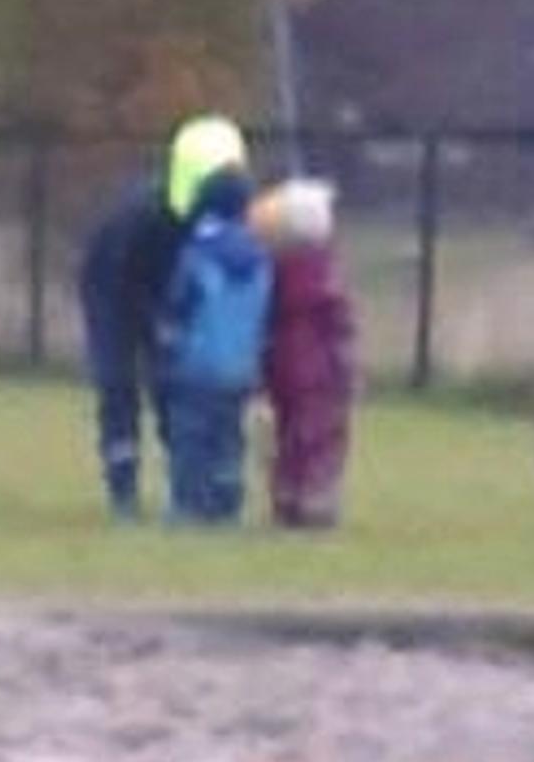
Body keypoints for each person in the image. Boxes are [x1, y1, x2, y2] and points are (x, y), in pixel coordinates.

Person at [75, 114, 247, 523]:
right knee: (117, 382)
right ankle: (124, 489)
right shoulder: (143, 218)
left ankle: (191, 486)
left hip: (163, 296)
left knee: (177, 386)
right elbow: (122, 282)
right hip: (112, 289)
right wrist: (157, 324)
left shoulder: (214, 220)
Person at [156, 154, 273, 529]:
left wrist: (166, 344)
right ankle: (227, 504)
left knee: (191, 438)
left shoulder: (197, 253)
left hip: (197, 365)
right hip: (241, 367)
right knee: (228, 441)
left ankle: (189, 506)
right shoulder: (261, 259)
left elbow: (179, 304)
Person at [252, 179, 361, 530]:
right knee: (321, 436)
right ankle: (314, 502)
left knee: (288, 434)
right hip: (320, 372)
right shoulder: (324, 276)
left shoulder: (274, 271)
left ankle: (286, 495)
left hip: (281, 366)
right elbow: (340, 326)